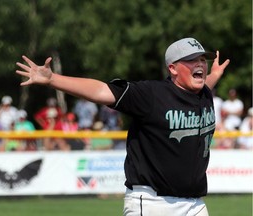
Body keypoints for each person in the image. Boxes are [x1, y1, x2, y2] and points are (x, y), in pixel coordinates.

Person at [16, 37, 230, 216]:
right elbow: (101, 91)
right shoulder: (151, 95)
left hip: (195, 205)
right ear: (173, 68)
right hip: (155, 204)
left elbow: (201, 87)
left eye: (203, 59)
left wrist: (216, 75)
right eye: (192, 60)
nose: (200, 64)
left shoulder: (202, 95)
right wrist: (53, 79)